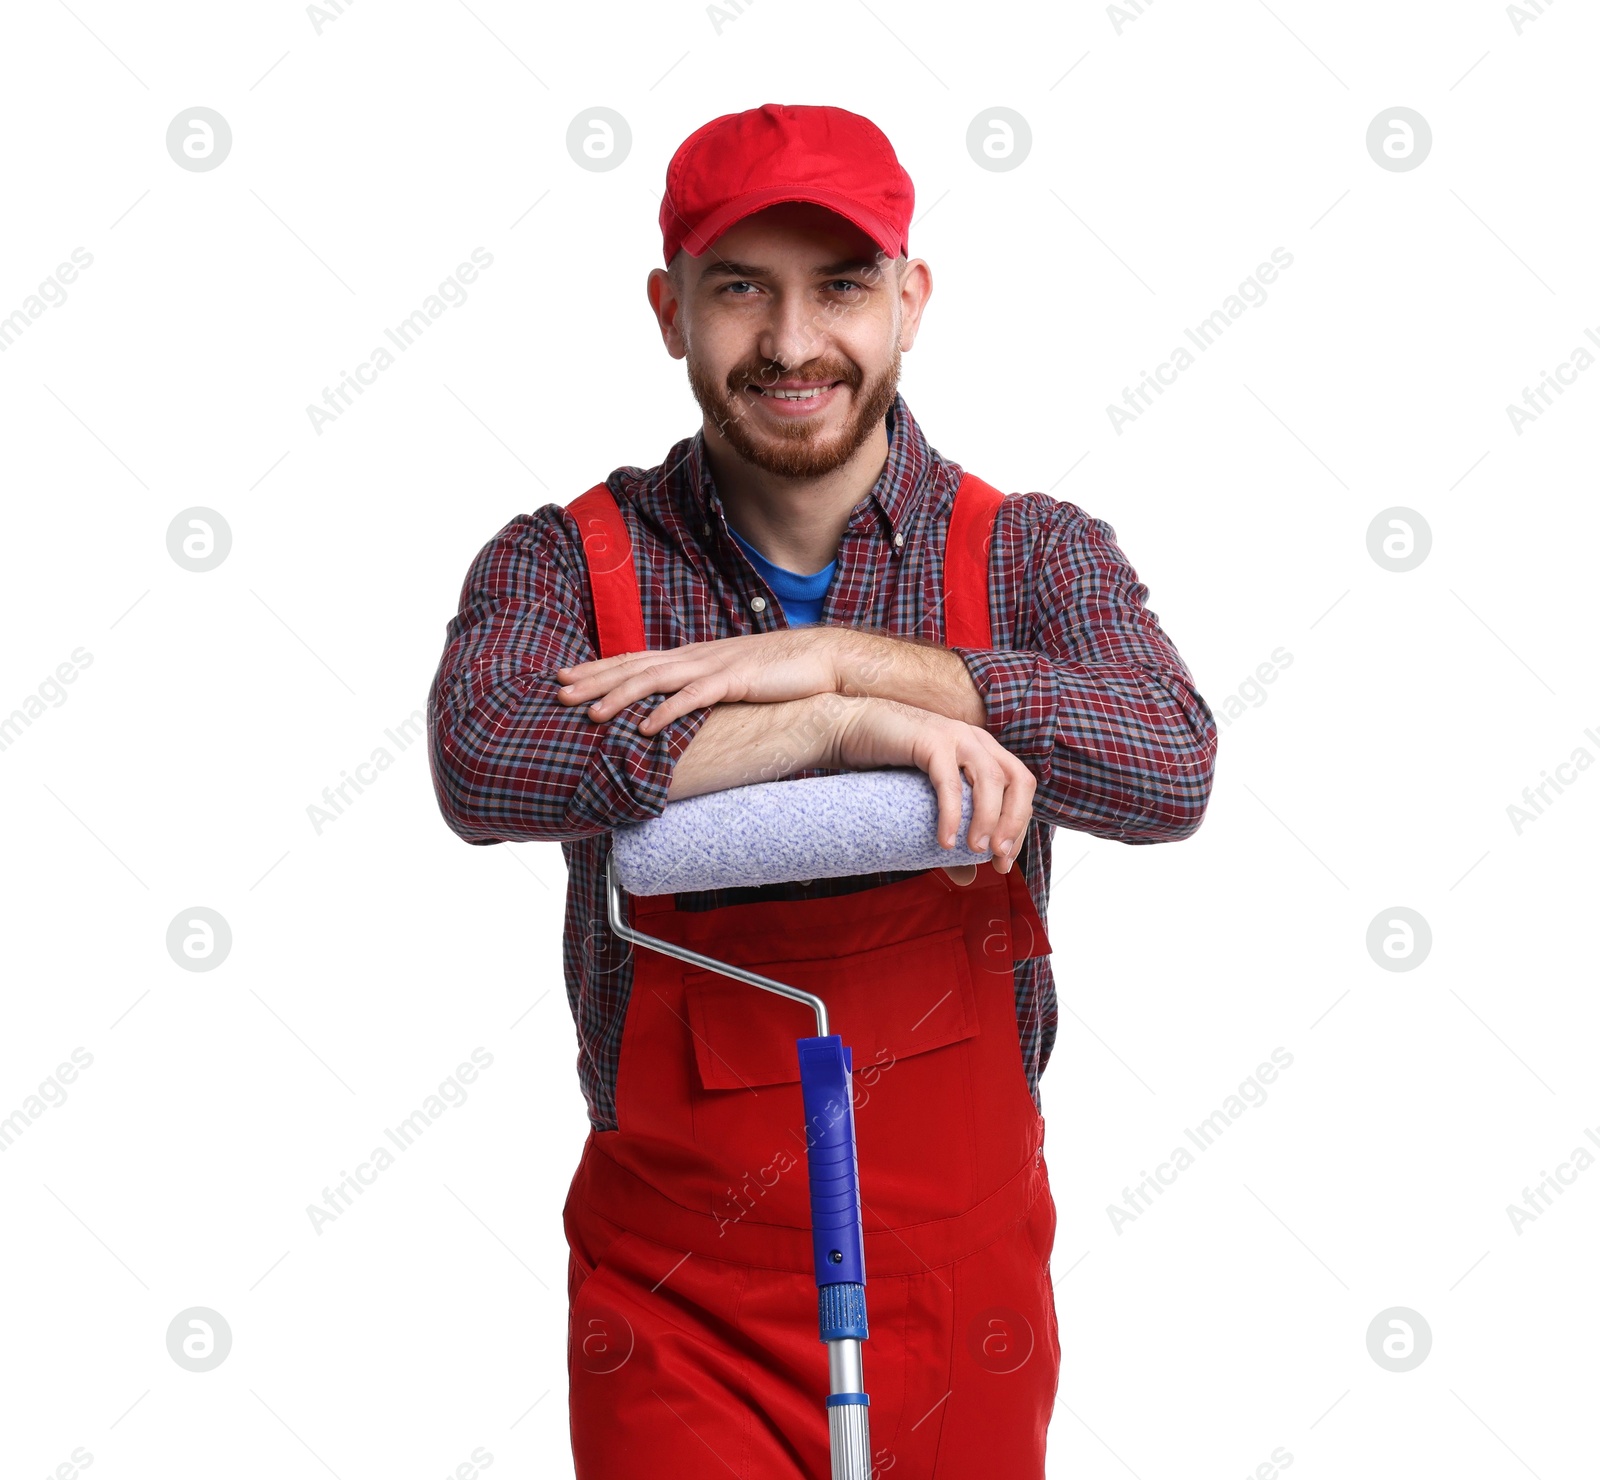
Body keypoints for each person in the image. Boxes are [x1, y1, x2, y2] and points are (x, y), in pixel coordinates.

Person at [426, 102, 1216, 1479]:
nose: (793, 344)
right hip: (675, 1301)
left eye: (841, 285)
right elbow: (486, 759)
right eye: (741, 289)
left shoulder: (1027, 557)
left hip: (958, 1293)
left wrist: (863, 657)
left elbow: (1169, 762)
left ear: (911, 300)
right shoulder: (565, 567)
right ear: (670, 311)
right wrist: (836, 723)